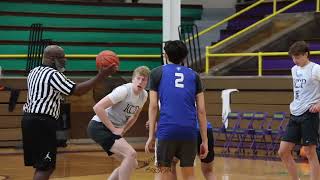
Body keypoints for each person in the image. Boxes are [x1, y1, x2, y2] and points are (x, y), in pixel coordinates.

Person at [21, 45, 117, 180]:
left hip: (28, 120)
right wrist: (101, 75)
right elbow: (77, 91)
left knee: (41, 165)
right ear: (52, 59)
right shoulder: (53, 74)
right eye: (62, 57)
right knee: (46, 166)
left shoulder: (33, 72)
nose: (65, 60)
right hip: (42, 122)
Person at [145, 40, 208, 180]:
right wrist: (205, 140)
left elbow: (153, 106)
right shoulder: (195, 76)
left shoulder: (156, 73)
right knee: (189, 174)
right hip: (189, 130)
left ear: (166, 55)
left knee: (164, 172)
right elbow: (201, 110)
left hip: (167, 129)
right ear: (184, 57)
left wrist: (151, 136)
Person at [87, 66, 150, 180]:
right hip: (98, 126)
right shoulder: (124, 90)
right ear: (133, 79)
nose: (140, 82)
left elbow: (135, 116)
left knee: (132, 163)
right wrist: (114, 130)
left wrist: (123, 130)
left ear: (147, 82)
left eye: (144, 79)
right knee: (130, 154)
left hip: (112, 129)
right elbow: (98, 107)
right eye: (138, 78)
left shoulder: (144, 95)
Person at [278, 41, 320, 180]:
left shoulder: (315, 69)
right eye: (293, 58)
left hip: (309, 115)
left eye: (297, 57)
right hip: (295, 114)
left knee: (310, 152)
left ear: (306, 54)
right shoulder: (294, 69)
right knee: (283, 151)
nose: (295, 60)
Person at [145, 120, 217, 180]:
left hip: (185, 129)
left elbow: (174, 114)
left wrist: (157, 125)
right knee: (208, 171)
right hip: (206, 128)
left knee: (172, 165)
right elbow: (201, 111)